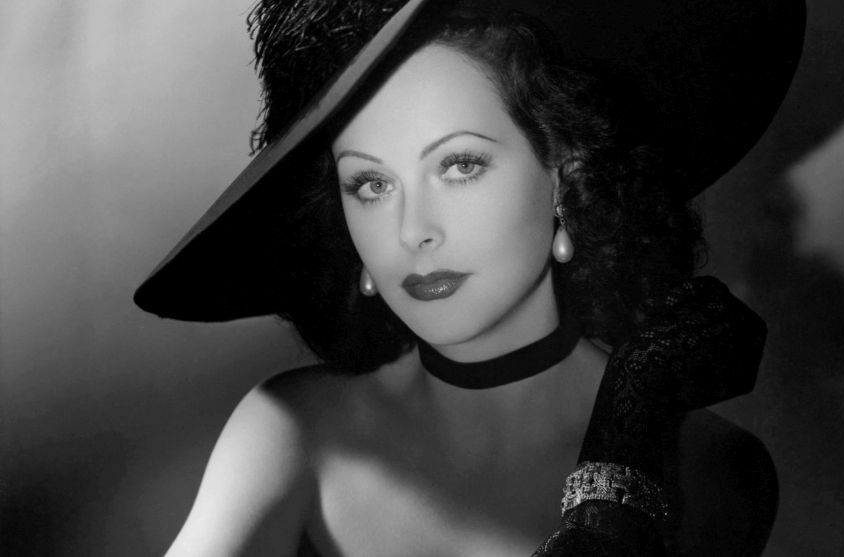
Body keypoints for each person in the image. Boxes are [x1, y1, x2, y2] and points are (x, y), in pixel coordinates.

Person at [135, 0, 805, 555]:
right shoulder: (295, 429)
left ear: (566, 171)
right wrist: (620, 451)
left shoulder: (712, 465)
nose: (412, 230)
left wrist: (637, 417)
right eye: (370, 184)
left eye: (460, 165)